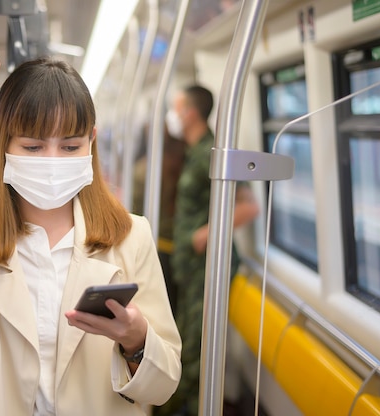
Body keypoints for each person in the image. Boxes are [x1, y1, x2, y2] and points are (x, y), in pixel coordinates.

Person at [0, 44, 182, 415]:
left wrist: (136, 341)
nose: (51, 162)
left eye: (70, 146)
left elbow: (165, 382)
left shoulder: (131, 237)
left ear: (91, 142)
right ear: (4, 145)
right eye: (32, 147)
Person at [155, 85, 260, 416]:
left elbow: (248, 206)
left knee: (197, 353)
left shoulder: (212, 152)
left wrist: (208, 232)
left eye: (177, 107)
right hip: (191, 269)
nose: (172, 115)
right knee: (186, 342)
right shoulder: (193, 150)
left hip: (207, 269)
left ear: (190, 113)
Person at [131, 122, 186, 316]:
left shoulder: (142, 169)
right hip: (183, 244)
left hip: (160, 243)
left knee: (162, 305)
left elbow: (135, 209)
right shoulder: (184, 158)